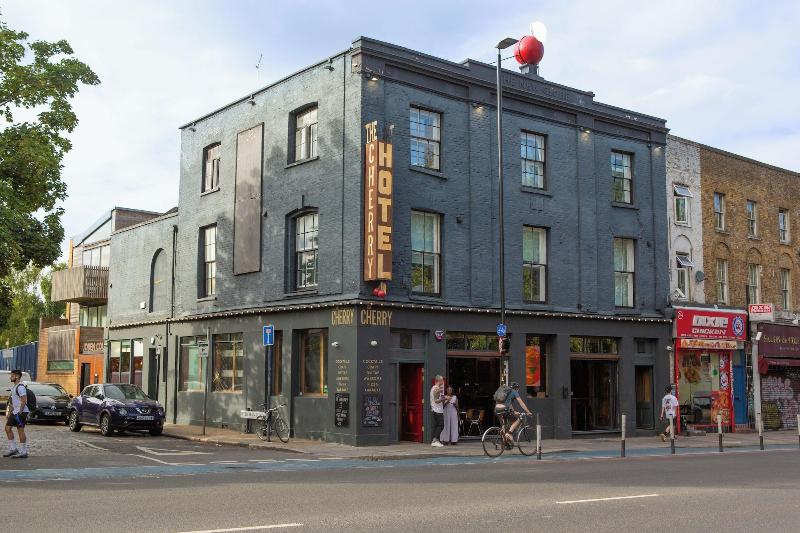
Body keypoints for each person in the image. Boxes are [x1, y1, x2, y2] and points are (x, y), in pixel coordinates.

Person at [495, 382, 532, 446]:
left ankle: (505, 442)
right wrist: (528, 412)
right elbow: (521, 403)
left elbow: (509, 404)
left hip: (497, 409)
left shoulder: (506, 392)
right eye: (518, 389)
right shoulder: (514, 392)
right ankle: (509, 434)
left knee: (504, 425)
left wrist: (514, 411)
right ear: (516, 388)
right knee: (517, 420)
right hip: (505, 409)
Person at [4, 369, 29, 459]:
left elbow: (24, 400)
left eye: (12, 376)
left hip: (21, 412)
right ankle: (13, 449)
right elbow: (13, 402)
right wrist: (9, 413)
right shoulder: (14, 387)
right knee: (7, 428)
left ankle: (23, 452)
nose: (10, 377)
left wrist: (20, 412)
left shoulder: (20, 387)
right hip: (15, 412)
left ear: (17, 376)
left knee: (20, 430)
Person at [429, 375, 445, 447]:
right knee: (441, 425)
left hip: (436, 410)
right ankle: (435, 440)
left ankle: (436, 440)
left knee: (438, 425)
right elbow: (436, 401)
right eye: (442, 380)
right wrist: (444, 398)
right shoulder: (436, 388)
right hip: (437, 410)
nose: (443, 381)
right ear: (439, 381)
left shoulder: (435, 388)